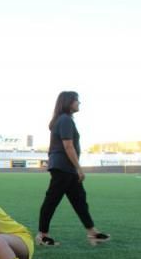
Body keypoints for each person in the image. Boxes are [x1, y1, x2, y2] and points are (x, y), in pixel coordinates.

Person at [37, 91, 110, 246]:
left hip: (66, 168)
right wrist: (79, 168)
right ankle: (42, 235)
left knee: (79, 200)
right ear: (68, 102)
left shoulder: (65, 119)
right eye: (77, 100)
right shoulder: (65, 120)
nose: (79, 103)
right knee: (52, 200)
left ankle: (92, 233)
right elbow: (68, 146)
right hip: (63, 167)